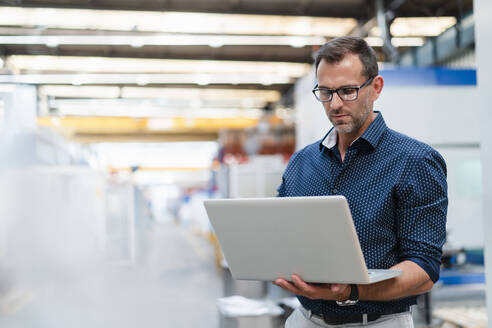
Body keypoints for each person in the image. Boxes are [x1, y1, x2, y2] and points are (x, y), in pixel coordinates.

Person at [274, 36, 447, 327]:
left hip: (377, 322)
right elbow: (281, 236)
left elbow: (424, 269)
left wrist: (353, 291)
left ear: (376, 87)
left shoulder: (415, 161)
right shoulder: (301, 163)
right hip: (305, 319)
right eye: (326, 92)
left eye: (348, 91)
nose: (335, 104)